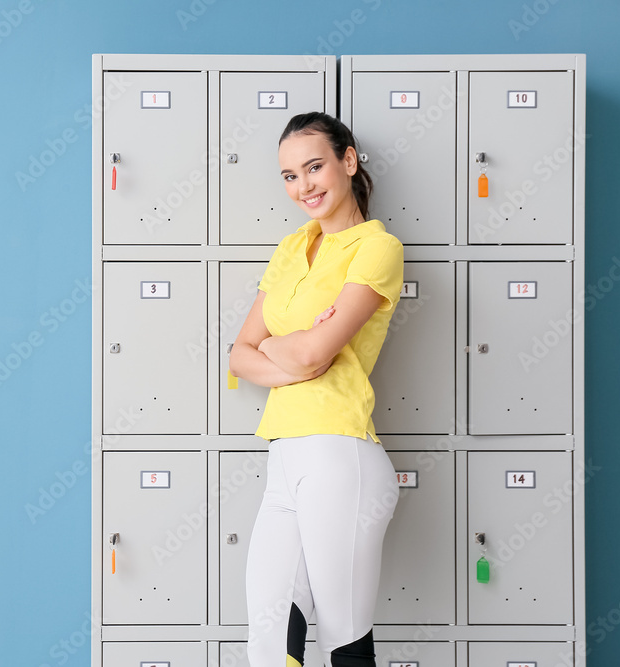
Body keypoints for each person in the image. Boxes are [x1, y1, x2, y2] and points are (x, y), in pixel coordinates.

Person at [228, 112, 404, 667]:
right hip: (284, 455)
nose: (303, 186)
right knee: (269, 635)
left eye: (314, 167)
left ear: (348, 161)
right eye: (288, 176)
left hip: (339, 454)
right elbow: (237, 355)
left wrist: (288, 349)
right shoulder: (290, 249)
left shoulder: (377, 248)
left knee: (343, 638)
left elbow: (306, 352)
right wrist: (301, 351)